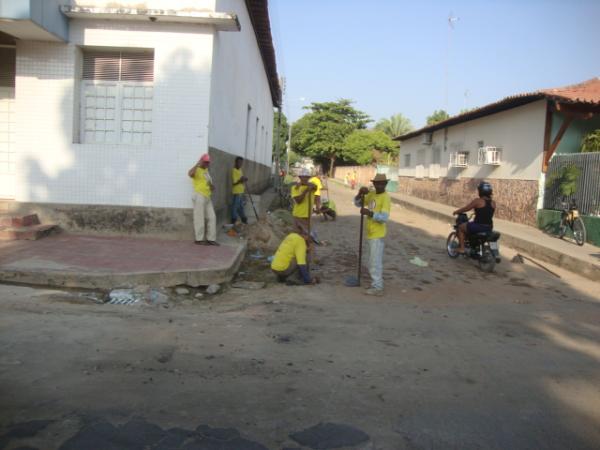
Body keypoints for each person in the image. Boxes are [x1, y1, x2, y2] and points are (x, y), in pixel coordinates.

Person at [355, 173, 391, 296]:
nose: (379, 185)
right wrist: (360, 193)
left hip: (377, 234)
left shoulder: (386, 198)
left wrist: (369, 213)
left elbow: (384, 218)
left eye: (382, 183)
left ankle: (377, 287)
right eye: (377, 183)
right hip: (370, 232)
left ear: (385, 184)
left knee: (375, 262)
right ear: (374, 184)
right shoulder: (372, 194)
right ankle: (375, 283)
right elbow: (358, 204)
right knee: (372, 260)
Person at [452, 181, 496, 254]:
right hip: (489, 227)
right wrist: (478, 212)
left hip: (478, 226)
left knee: (460, 227)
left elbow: (466, 208)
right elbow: (487, 213)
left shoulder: (478, 201)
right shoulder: (493, 203)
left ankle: (462, 248)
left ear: (480, 191)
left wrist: (456, 211)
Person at [188, 153, 218, 246]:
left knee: (212, 217)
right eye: (205, 162)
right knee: (199, 218)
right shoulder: (197, 169)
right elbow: (190, 174)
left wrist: (212, 186)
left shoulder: (206, 171)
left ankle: (211, 239)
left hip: (207, 196)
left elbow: (210, 185)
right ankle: (199, 239)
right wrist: (197, 164)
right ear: (202, 161)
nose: (207, 164)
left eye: (208, 162)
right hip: (199, 195)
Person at [290, 168, 316, 234]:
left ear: (309, 178)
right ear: (300, 177)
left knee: (306, 235)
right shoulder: (295, 188)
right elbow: (299, 201)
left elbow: (315, 186)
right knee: (297, 234)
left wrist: (304, 185)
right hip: (298, 214)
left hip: (307, 215)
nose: (305, 179)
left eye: (307, 177)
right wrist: (306, 191)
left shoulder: (312, 186)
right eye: (303, 177)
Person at [231, 156, 248, 225]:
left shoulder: (240, 170)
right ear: (236, 162)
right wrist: (241, 180)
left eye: (241, 162)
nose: (240, 164)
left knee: (240, 206)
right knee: (235, 206)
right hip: (237, 191)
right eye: (239, 162)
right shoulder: (234, 170)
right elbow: (234, 183)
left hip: (241, 191)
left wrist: (244, 179)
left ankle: (243, 219)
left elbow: (241, 179)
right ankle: (233, 220)